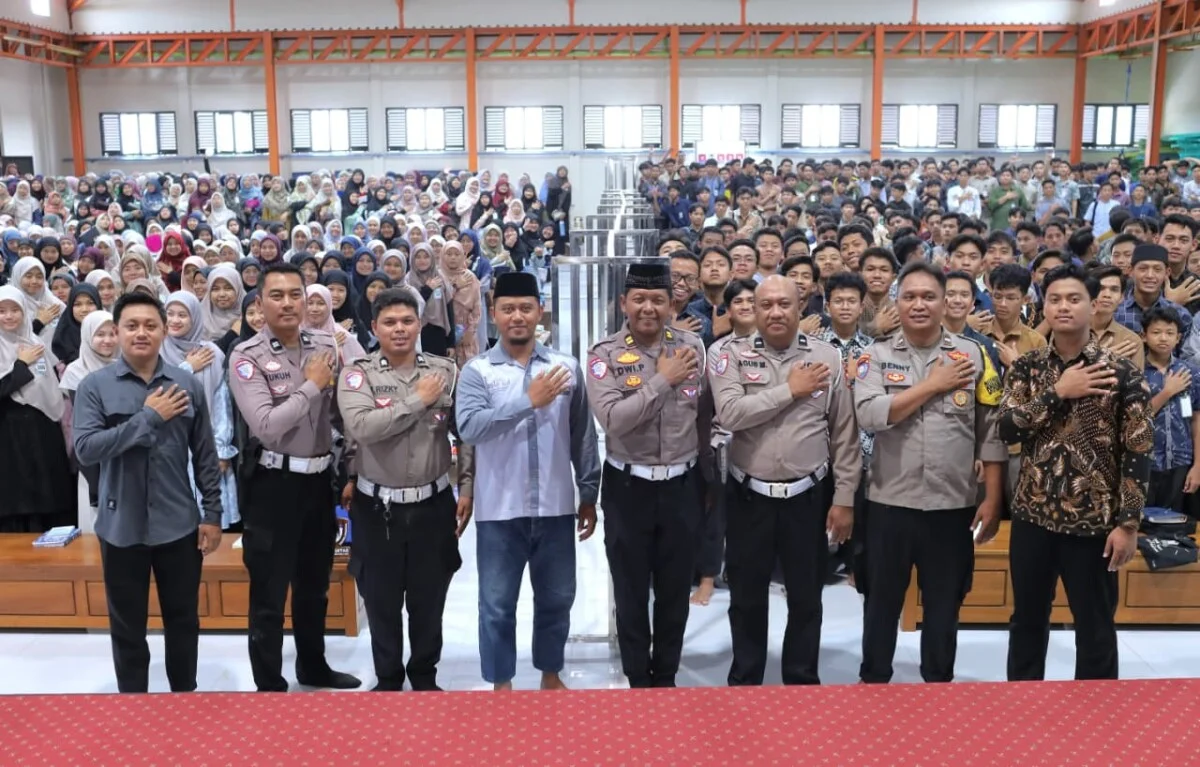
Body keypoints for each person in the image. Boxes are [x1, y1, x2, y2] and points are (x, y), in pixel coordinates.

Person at [853, 261, 1007, 684]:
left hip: (952, 505)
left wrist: (992, 497)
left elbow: (990, 431)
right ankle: (874, 683)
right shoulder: (875, 356)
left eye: (929, 296)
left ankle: (939, 686)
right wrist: (933, 385)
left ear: (946, 304)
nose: (919, 304)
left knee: (944, 604)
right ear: (897, 303)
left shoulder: (973, 355)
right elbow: (870, 415)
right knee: (880, 604)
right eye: (910, 296)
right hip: (889, 503)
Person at [998, 264, 1151, 681]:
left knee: (1096, 627)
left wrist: (1129, 523)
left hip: (1095, 525)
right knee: (1027, 620)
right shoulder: (1028, 368)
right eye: (1055, 299)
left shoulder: (1120, 374)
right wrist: (1058, 392)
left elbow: (1138, 451)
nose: (1064, 307)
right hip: (1033, 517)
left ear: (1094, 303)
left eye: (1074, 298)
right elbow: (1006, 427)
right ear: (1043, 306)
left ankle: (1098, 717)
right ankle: (1023, 701)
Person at [709, 275, 859, 685]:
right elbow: (731, 415)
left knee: (807, 598)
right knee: (746, 597)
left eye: (784, 304)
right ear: (754, 309)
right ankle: (745, 681)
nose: (775, 312)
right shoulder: (728, 353)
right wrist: (791, 390)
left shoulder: (826, 357)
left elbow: (844, 431)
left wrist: (844, 497)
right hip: (748, 495)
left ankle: (801, 681)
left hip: (808, 496)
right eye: (766, 305)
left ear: (802, 307)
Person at [72, 292, 223, 693]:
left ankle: (183, 697)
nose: (142, 333)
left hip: (178, 523)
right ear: (118, 332)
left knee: (183, 619)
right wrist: (148, 418)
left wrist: (212, 513)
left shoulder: (185, 382)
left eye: (150, 325)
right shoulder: (95, 386)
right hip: (121, 525)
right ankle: (133, 703)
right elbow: (86, 448)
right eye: (132, 325)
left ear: (162, 331)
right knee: (127, 624)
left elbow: (205, 452)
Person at [456, 271, 600, 691]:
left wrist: (588, 493)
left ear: (540, 312)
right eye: (507, 309)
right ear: (494, 314)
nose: (517, 316)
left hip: (556, 507)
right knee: (497, 605)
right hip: (499, 509)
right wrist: (527, 402)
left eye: (525, 308)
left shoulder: (565, 367)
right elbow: (470, 429)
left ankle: (551, 675)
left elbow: (583, 437)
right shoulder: (477, 371)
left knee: (556, 600)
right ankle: (502, 683)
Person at [227, 261, 361, 692]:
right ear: (260, 303)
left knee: (314, 584)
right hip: (273, 484)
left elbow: (346, 411)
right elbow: (266, 425)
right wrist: (310, 384)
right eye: (277, 296)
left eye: (295, 295)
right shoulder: (247, 358)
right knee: (269, 590)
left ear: (306, 299)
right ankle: (269, 682)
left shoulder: (327, 344)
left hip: (319, 482)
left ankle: (313, 667)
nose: (287, 304)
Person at [337, 288, 475, 691]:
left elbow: (464, 434)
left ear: (419, 324)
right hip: (377, 506)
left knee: (429, 600)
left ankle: (425, 677)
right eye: (390, 322)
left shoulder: (444, 371)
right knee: (380, 601)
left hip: (433, 504)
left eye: (407, 321)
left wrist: (466, 485)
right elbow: (363, 428)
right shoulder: (358, 374)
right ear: (375, 327)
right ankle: (388, 679)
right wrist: (418, 400)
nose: (399, 330)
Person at [583, 262, 710, 689]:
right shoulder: (604, 355)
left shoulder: (693, 346)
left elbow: (705, 419)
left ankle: (667, 674)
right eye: (639, 299)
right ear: (624, 303)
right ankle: (638, 677)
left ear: (671, 303)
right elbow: (613, 420)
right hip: (628, 485)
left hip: (682, 483)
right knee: (631, 587)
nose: (648, 308)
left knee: (675, 588)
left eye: (658, 299)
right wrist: (661, 380)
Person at [0, 285, 76, 532]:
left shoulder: (35, 344)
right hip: (8, 433)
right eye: (2, 311)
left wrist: (35, 365)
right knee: (16, 495)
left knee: (47, 491)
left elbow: (43, 376)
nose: (9, 316)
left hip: (41, 427)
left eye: (15, 310)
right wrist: (21, 365)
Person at [1141, 306, 1200, 512]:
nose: (1163, 338)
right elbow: (1136, 419)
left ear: (1179, 338)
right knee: (1143, 526)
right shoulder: (1135, 372)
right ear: (1144, 336)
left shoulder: (1191, 372)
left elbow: (1195, 419)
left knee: (1175, 525)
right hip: (1144, 462)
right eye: (1156, 332)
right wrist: (1167, 392)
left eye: (1170, 333)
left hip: (1180, 462)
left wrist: (1198, 466)